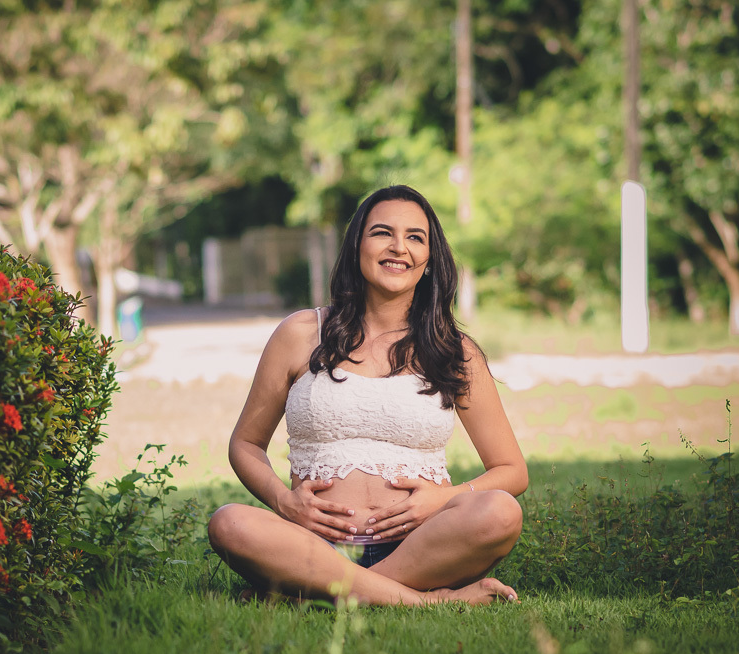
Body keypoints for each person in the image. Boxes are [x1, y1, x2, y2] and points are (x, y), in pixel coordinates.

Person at [208, 185, 526, 607]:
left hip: (422, 546)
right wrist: (284, 502)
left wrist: (445, 498)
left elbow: (511, 470)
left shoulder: (455, 351)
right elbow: (245, 444)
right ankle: (425, 601)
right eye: (382, 233)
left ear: (430, 260)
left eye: (416, 237)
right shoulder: (300, 334)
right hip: (310, 544)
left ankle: (319, 590)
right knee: (229, 524)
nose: (399, 248)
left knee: (502, 512)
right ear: (357, 245)